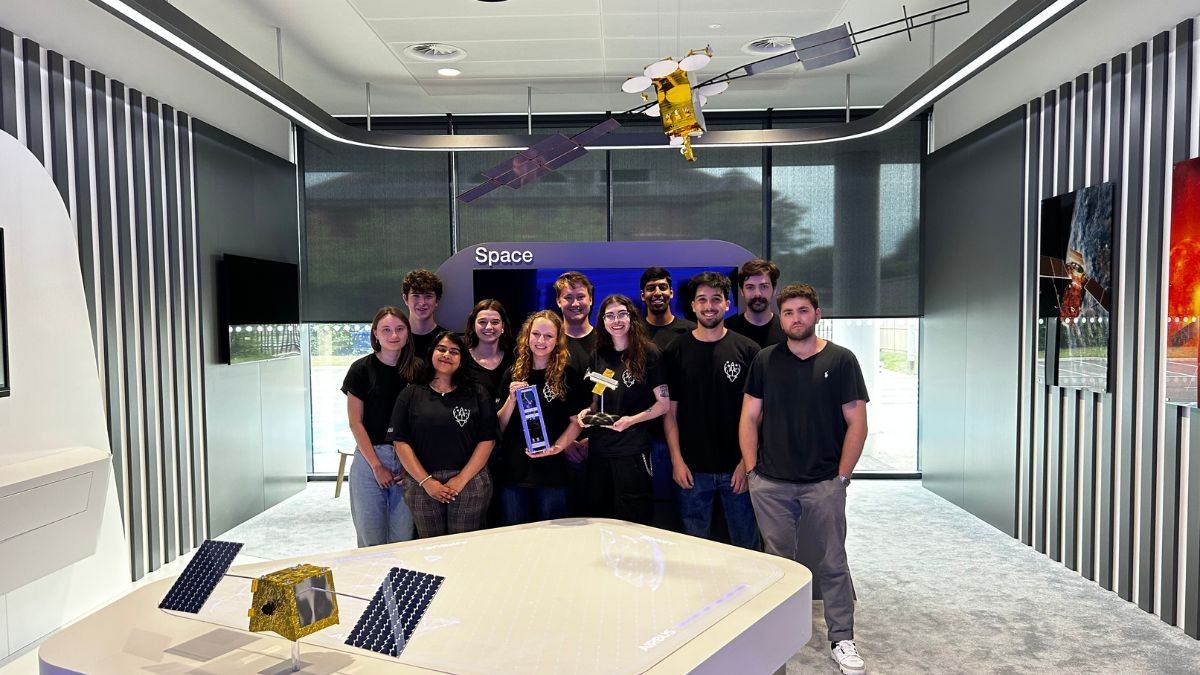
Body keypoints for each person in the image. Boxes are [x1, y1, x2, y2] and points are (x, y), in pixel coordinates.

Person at [739, 283, 869, 675]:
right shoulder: (764, 360)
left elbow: (857, 424)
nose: (796, 318)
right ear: (782, 318)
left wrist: (841, 479)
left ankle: (841, 637)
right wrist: (751, 472)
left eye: (803, 311)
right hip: (772, 485)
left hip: (823, 484)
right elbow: (748, 418)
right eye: (789, 312)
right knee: (779, 566)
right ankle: (777, 639)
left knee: (832, 562)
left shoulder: (842, 360)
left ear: (817, 313)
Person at [662, 272, 760, 549]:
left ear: (727, 304)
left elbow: (756, 414)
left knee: (748, 548)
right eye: (702, 300)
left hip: (737, 470)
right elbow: (670, 413)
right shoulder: (676, 351)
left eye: (716, 299)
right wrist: (677, 461)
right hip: (692, 471)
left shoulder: (748, 350)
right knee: (693, 551)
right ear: (692, 306)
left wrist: (746, 463)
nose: (709, 306)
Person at [389, 331, 499, 537]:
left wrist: (461, 479)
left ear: (462, 359)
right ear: (432, 353)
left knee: (465, 548)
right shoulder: (411, 393)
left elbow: (488, 439)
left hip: (469, 482)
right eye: (441, 349)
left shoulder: (477, 392)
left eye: (454, 352)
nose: (446, 354)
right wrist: (427, 482)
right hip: (422, 483)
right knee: (431, 551)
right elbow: (400, 442)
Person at [577, 294, 670, 524]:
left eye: (621, 314)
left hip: (632, 450)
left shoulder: (648, 353)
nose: (616, 320)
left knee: (634, 518)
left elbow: (663, 404)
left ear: (631, 317)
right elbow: (596, 398)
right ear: (603, 321)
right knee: (601, 517)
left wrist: (631, 420)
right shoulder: (598, 355)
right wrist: (585, 413)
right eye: (610, 316)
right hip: (600, 450)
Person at [341, 306, 422, 547]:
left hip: (408, 459)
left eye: (399, 329)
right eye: (386, 330)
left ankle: (398, 586)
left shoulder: (419, 370)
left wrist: (413, 466)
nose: (393, 335)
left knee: (403, 537)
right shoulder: (361, 369)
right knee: (370, 539)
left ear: (408, 332)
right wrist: (377, 466)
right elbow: (355, 422)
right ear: (375, 333)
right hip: (370, 457)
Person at [496, 311, 587, 524]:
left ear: (557, 341)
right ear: (527, 337)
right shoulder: (513, 374)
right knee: (515, 540)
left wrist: (557, 448)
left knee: (552, 543)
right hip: (515, 473)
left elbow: (577, 422)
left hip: (552, 473)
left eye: (548, 336)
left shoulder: (568, 375)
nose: (541, 341)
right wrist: (511, 400)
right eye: (536, 334)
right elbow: (498, 425)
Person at [463, 299, 514, 410]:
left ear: (503, 326)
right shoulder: (461, 359)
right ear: (473, 325)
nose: (489, 327)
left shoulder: (514, 358)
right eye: (482, 322)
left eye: (495, 322)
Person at [726, 259, 786, 348]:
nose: (757, 294)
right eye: (750, 287)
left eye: (764, 287)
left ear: (774, 290)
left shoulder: (787, 329)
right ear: (742, 291)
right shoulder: (726, 330)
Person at [639, 266, 695, 351]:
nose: (657, 293)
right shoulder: (635, 331)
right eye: (651, 288)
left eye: (662, 287)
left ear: (671, 293)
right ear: (642, 296)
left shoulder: (691, 330)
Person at [554, 271, 597, 371]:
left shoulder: (605, 341)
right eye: (568, 298)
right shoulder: (549, 342)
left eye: (580, 297)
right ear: (558, 302)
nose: (575, 304)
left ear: (590, 299)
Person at [403, 269, 448, 358]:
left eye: (428, 296)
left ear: (437, 300)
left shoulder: (448, 341)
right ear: (405, 299)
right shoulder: (396, 339)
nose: (422, 302)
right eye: (416, 296)